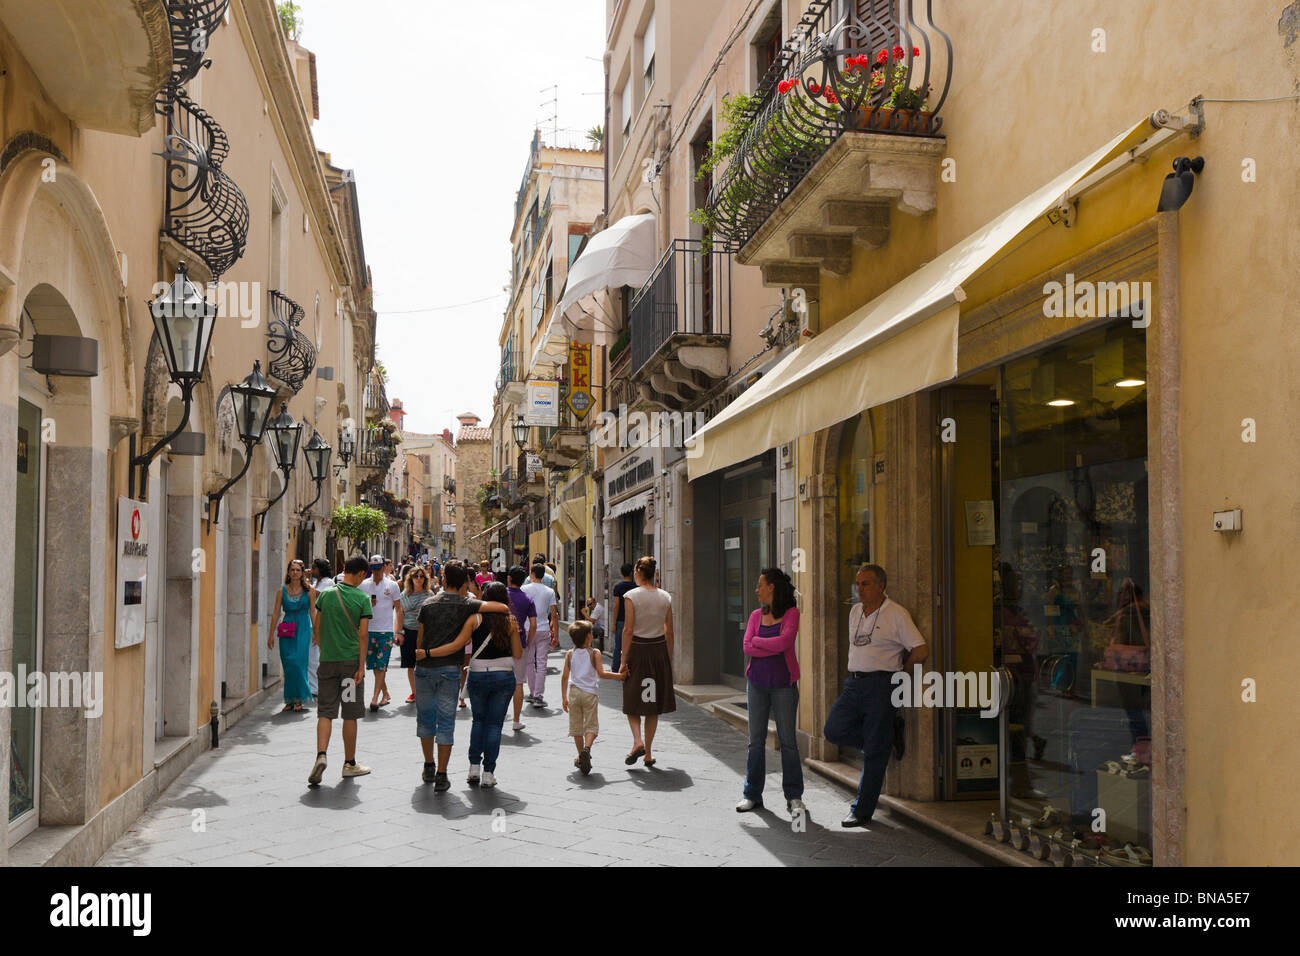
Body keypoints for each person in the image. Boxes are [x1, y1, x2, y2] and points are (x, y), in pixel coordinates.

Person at [824, 564, 928, 828]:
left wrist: (901, 678)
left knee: (874, 753)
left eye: (866, 584)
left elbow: (920, 650)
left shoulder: (896, 614)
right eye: (858, 584)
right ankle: (884, 739)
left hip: (883, 685)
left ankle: (861, 810)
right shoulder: (855, 611)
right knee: (833, 730)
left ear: (881, 586)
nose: (859, 589)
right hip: (855, 684)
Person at [413, 562, 511, 789]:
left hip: (425, 669)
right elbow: (502, 608)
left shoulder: (427, 604)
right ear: (464, 583)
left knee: (425, 719)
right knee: (446, 722)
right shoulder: (468, 604)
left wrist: (423, 653)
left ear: (444, 580)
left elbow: (420, 639)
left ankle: (429, 764)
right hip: (450, 669)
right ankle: (441, 774)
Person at [736, 568, 805, 815]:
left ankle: (794, 796)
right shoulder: (755, 615)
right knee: (755, 742)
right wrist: (766, 646)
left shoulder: (792, 613)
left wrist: (758, 643)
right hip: (756, 684)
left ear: (772, 588)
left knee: (788, 742)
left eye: (760, 585)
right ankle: (752, 794)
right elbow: (746, 647)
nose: (757, 590)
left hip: (784, 684)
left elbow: (784, 643)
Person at [308, 555, 372, 784]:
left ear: (344, 569)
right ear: (362, 574)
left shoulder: (325, 595)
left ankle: (321, 755)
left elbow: (317, 627)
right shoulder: (362, 599)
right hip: (350, 666)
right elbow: (363, 634)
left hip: (328, 662)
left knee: (325, 711)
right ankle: (349, 763)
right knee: (350, 714)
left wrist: (326, 647)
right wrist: (361, 666)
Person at [454, 582, 522, 787]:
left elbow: (462, 643)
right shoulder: (510, 621)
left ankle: (473, 767)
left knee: (479, 721)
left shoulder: (475, 618)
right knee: (494, 725)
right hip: (504, 675)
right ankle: (488, 773)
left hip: (478, 674)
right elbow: (518, 654)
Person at [619, 556, 675, 767]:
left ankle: (637, 741)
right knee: (653, 705)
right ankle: (648, 753)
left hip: (638, 649)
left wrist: (623, 659)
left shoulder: (631, 595)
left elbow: (629, 629)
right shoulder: (665, 597)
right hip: (659, 649)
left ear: (637, 572)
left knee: (632, 698)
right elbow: (669, 631)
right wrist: (668, 657)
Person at [561, 620, 624, 775]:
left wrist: (564, 697)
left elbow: (564, 677)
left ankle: (581, 755)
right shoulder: (594, 653)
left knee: (576, 728)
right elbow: (602, 674)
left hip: (574, 693)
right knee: (591, 726)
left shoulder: (570, 654)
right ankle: (587, 748)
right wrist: (620, 676)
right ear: (589, 637)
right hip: (590, 694)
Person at [268, 559, 316, 712]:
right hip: (286, 629)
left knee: (298, 663)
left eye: (297, 570)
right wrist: (270, 635)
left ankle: (299, 698)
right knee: (288, 664)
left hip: (303, 628)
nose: (295, 573)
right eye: (292, 570)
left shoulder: (310, 590)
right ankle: (290, 700)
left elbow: (313, 612)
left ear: (302, 573)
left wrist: (316, 631)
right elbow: (275, 613)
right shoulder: (282, 591)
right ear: (288, 572)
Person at [359, 554, 403, 712]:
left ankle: (374, 698)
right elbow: (356, 606)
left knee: (382, 665)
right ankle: (385, 693)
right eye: (374, 569)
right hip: (368, 631)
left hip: (386, 632)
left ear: (384, 567)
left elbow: (398, 608)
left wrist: (399, 631)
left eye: (379, 568)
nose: (377, 572)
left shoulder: (392, 586)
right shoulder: (363, 585)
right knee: (374, 666)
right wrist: (366, 604)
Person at [522, 563, 560, 708]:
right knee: (542, 662)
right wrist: (555, 634)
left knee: (529, 662)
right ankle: (539, 695)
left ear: (532, 574)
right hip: (544, 628)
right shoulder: (549, 591)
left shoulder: (524, 589)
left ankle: (532, 693)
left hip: (527, 627)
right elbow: (554, 615)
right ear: (543, 575)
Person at [505, 566, 537, 730]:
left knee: (501, 680)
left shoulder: (502, 594)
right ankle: (516, 720)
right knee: (518, 683)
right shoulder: (527, 599)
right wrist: (529, 641)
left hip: (501, 643)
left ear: (509, 579)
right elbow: (533, 624)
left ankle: (500, 715)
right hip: (520, 642)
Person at [399, 566, 435, 704]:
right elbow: (400, 615)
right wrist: (400, 633)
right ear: (411, 578)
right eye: (416, 576)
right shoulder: (404, 595)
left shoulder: (430, 594)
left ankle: (426, 690)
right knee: (410, 664)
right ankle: (414, 692)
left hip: (425, 633)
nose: (419, 579)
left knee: (425, 662)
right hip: (408, 631)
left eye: (421, 576)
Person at [307, 558, 335, 698]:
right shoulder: (315, 583)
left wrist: (303, 581)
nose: (312, 570)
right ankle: (314, 685)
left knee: (315, 656)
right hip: (312, 622)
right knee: (312, 657)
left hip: (320, 622)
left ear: (321, 569)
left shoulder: (327, 583)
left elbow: (314, 594)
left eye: (314, 568)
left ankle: (316, 687)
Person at [611, 563, 635, 672]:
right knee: (631, 645)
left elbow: (616, 606)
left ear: (621, 573)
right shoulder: (636, 587)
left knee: (618, 645)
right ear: (632, 572)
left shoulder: (618, 587)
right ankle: (630, 666)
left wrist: (613, 623)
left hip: (620, 619)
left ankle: (616, 668)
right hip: (633, 620)